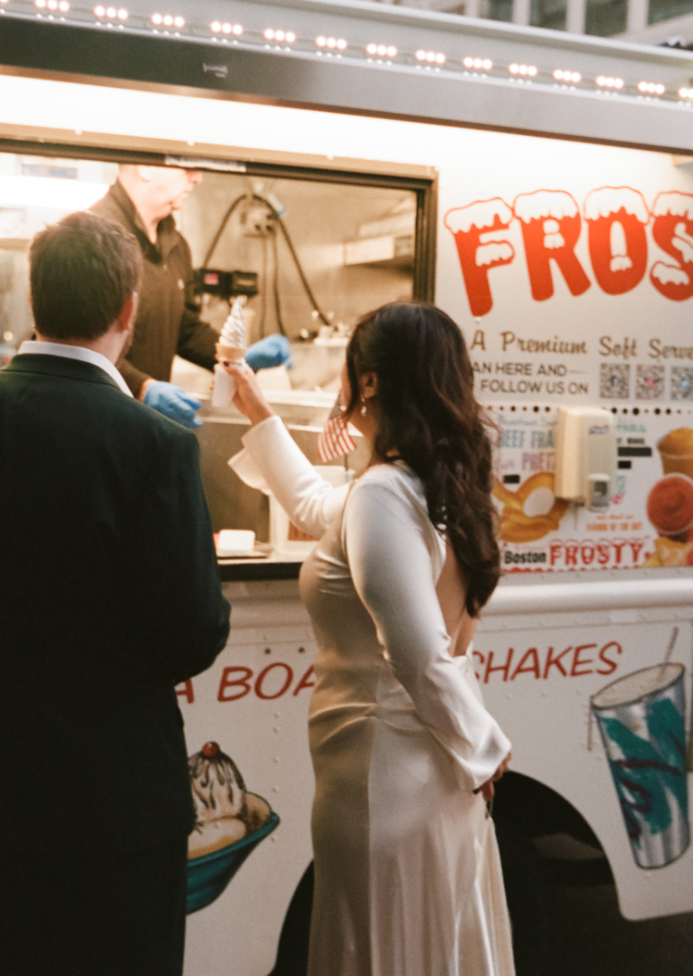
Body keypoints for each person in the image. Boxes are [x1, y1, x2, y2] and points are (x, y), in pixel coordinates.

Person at [0, 212, 231, 975]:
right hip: (114, 801)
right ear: (128, 311)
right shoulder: (157, 447)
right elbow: (192, 633)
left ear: (37, 300)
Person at [223, 302, 514, 976]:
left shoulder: (383, 492)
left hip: (384, 775)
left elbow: (414, 650)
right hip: (424, 767)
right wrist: (255, 409)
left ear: (372, 381)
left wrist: (487, 748)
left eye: (349, 368)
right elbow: (317, 506)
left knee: (376, 950)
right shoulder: (416, 486)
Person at [91, 164, 292, 428]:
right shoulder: (93, 236)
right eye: (187, 167)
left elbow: (185, 328)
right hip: (98, 418)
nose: (197, 178)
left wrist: (231, 357)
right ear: (145, 168)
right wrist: (142, 387)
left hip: (144, 425)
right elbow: (80, 343)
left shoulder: (176, 246)